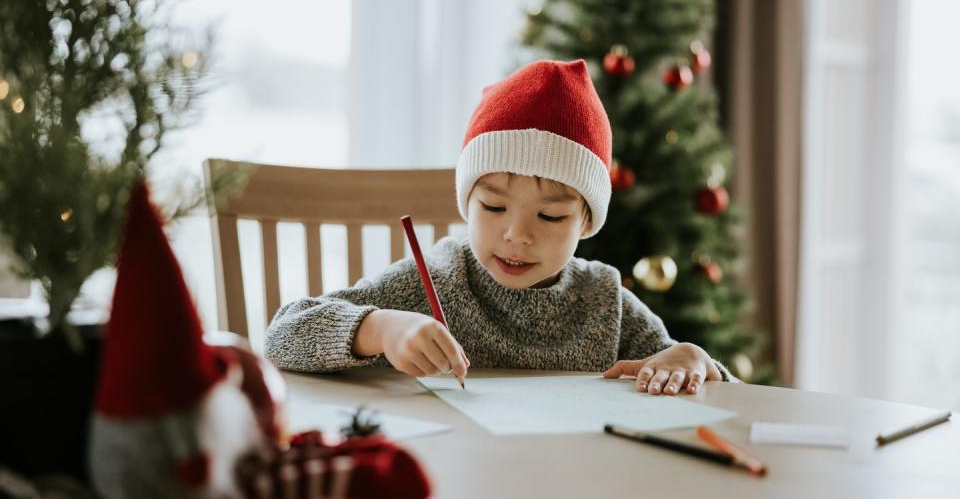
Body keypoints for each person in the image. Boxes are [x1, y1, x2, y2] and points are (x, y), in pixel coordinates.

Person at [265, 59, 732, 396]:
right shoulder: (434, 282)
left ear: (587, 220)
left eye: (550, 216)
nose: (517, 235)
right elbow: (283, 335)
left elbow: (718, 388)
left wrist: (693, 359)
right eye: (492, 207)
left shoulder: (603, 301)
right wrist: (380, 328)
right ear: (466, 202)